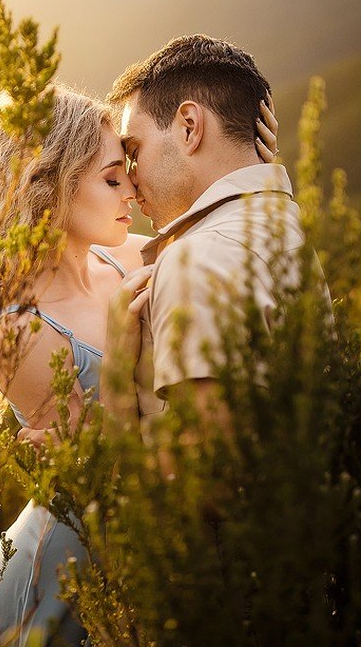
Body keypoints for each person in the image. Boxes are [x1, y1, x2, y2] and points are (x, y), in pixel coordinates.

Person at [0, 82, 278, 646]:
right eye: (110, 179)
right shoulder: (17, 327)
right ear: (46, 185)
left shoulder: (124, 252)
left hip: (160, 546)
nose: (132, 188)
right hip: (70, 565)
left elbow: (215, 233)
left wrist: (250, 170)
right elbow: (102, 475)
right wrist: (123, 356)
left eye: (127, 169)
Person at [106, 33, 314, 448]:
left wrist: (112, 395)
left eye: (134, 150)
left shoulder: (199, 259)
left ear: (188, 127)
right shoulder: (284, 229)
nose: (130, 178)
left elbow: (199, 486)